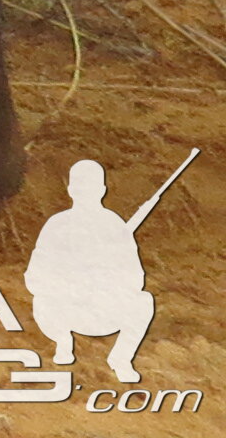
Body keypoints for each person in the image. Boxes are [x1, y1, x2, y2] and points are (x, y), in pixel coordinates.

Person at [24, 158, 161, 385]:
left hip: (104, 311)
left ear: (102, 191)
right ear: (71, 191)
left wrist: (104, 277)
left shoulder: (115, 226)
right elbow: (34, 276)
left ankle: (121, 358)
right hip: (63, 311)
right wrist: (67, 283)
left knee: (143, 301)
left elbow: (135, 278)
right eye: (81, 188)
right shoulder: (57, 225)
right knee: (41, 301)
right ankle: (63, 342)